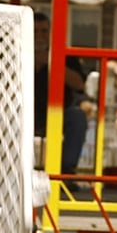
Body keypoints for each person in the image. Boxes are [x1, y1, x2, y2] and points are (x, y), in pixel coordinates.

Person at [33, 12, 87, 174]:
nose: (40, 36)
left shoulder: (64, 54)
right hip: (24, 112)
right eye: (35, 31)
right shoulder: (17, 52)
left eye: (43, 31)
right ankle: (4, 168)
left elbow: (79, 84)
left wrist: (52, 64)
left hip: (58, 113)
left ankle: (66, 170)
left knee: (78, 117)